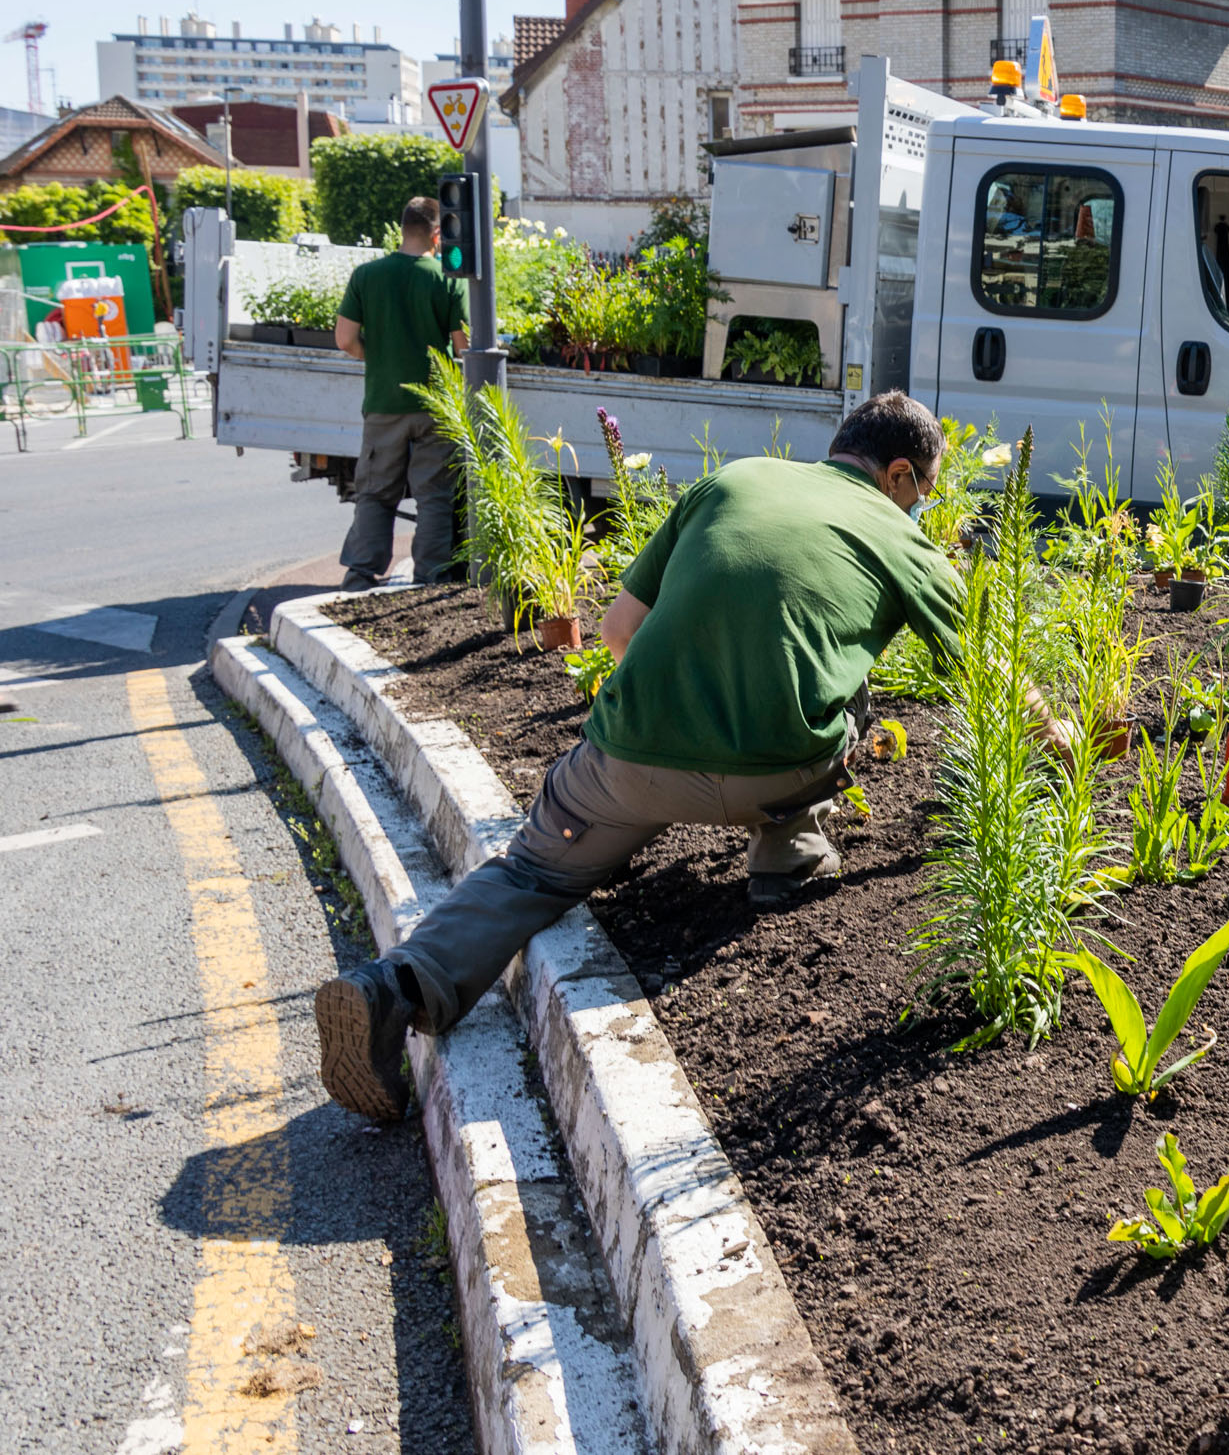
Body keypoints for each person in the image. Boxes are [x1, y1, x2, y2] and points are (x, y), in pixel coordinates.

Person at [314, 392, 984, 1122]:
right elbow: (986, 679)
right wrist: (1067, 739)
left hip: (629, 765)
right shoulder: (899, 534)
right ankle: (786, 857)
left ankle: (393, 988)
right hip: (776, 772)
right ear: (898, 475)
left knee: (531, 871)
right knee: (848, 685)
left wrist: (683, 712)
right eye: (924, 490)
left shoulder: (733, 481)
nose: (920, 507)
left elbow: (617, 628)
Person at [334, 195, 470, 591]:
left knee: (375, 492)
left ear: (402, 228)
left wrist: (376, 356)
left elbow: (344, 339)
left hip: (383, 403)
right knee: (435, 496)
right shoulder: (447, 279)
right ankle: (431, 574)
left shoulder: (366, 275)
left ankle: (361, 572)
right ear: (437, 233)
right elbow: (464, 348)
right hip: (434, 405)